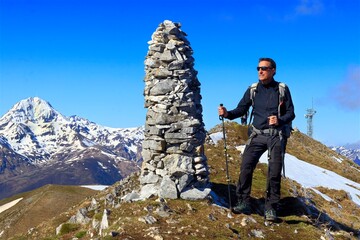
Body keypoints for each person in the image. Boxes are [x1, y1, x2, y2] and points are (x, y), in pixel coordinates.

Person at [218, 57, 295, 221]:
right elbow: (241, 109)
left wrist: (279, 120)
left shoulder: (282, 89)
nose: (260, 71)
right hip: (257, 134)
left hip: (276, 135)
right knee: (246, 166)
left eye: (264, 68)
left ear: (273, 70)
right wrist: (227, 114)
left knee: (274, 172)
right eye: (258, 68)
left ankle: (271, 209)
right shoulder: (253, 89)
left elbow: (291, 113)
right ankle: (243, 202)